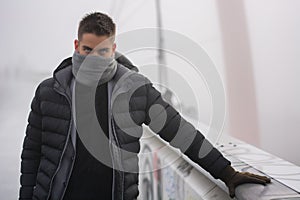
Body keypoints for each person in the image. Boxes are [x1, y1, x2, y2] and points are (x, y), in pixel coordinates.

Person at [19, 12, 270, 200]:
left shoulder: (135, 90)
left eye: (103, 52)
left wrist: (226, 172)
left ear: (114, 49)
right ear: (76, 46)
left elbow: (179, 131)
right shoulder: (49, 91)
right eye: (87, 50)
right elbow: (31, 154)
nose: (94, 59)